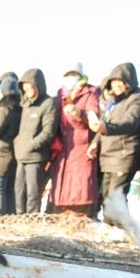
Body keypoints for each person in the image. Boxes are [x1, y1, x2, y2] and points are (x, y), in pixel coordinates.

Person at [93, 63, 140, 210]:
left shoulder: (138, 99)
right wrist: (95, 142)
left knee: (116, 197)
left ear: (128, 81)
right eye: (114, 80)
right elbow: (104, 122)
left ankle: (119, 229)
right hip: (107, 155)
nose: (117, 84)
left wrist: (106, 128)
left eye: (120, 81)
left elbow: (130, 123)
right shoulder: (112, 101)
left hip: (124, 155)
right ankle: (109, 227)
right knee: (106, 195)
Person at [51, 63, 100, 217]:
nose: (70, 78)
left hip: (81, 146)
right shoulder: (59, 95)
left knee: (79, 192)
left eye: (73, 74)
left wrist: (80, 113)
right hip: (62, 148)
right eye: (67, 75)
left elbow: (94, 117)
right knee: (61, 193)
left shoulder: (90, 92)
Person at [13, 68, 58, 214]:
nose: (27, 91)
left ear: (37, 85)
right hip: (21, 156)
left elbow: (48, 132)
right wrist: (18, 145)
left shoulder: (48, 103)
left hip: (36, 157)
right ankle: (19, 221)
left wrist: (30, 146)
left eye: (30, 87)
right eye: (24, 88)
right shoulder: (25, 104)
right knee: (19, 191)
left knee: (33, 193)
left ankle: (31, 223)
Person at [0, 72, 22, 216]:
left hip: (0, 155)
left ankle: (0, 218)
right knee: (9, 190)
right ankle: (9, 218)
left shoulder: (4, 109)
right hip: (14, 154)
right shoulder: (20, 109)